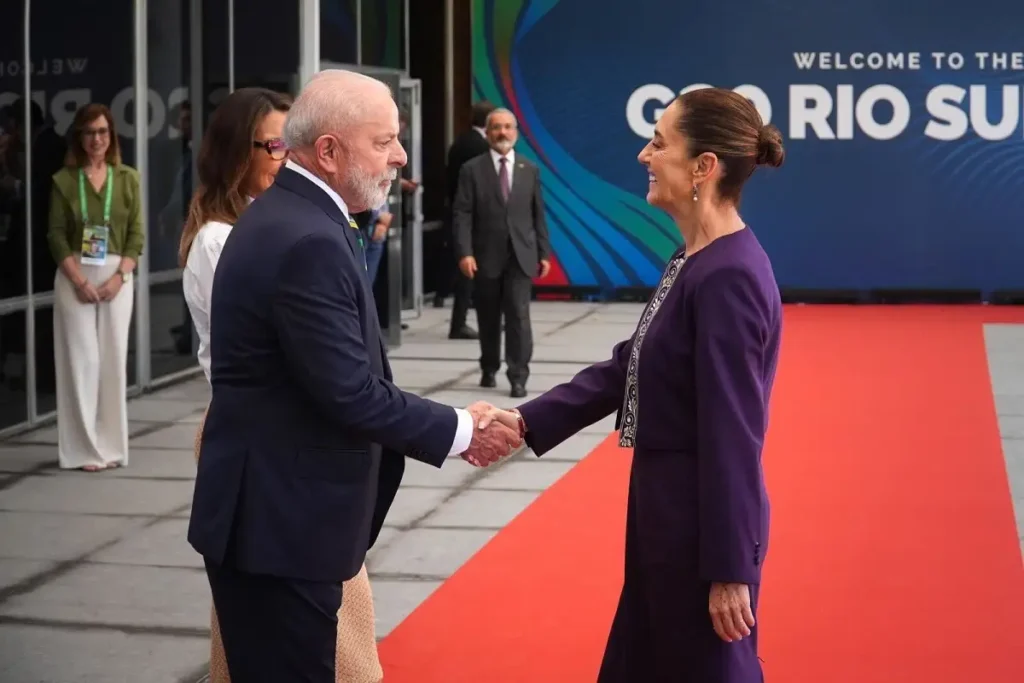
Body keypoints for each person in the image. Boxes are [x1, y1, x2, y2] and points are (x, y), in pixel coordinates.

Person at [187, 69, 520, 683]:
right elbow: (348, 390)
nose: (398, 156)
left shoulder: (297, 217)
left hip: (277, 522)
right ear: (330, 151)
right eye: (384, 140)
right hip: (280, 529)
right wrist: (461, 430)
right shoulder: (304, 236)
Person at [486, 88, 785, 681]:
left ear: (704, 167)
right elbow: (632, 364)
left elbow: (734, 437)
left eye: (659, 143)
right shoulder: (696, 258)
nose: (645, 156)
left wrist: (730, 569)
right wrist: (526, 421)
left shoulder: (728, 277)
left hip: (695, 534)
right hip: (663, 517)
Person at [48, 103, 144, 471]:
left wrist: (120, 276)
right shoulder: (64, 180)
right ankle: (83, 449)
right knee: (81, 362)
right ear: (79, 137)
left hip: (117, 274)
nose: (97, 140)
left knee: (113, 363)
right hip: (76, 274)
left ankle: (111, 447)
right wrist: (79, 280)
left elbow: (137, 234)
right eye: (89, 132)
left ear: (112, 136)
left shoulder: (127, 178)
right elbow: (55, 235)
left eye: (103, 132)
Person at [452, 107, 550, 398]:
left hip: (521, 256)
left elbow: (538, 215)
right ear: (488, 132)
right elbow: (462, 214)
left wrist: (543, 252)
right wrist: (464, 252)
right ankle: (489, 366)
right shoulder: (472, 169)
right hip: (485, 256)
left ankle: (518, 375)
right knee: (488, 315)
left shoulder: (528, 169)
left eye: (508, 127)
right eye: (496, 127)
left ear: (516, 133)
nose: (502, 133)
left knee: (519, 316)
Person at [436, 100, 495, 339]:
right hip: (472, 218)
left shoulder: (462, 140)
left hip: (460, 213)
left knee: (465, 270)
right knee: (469, 273)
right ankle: (459, 323)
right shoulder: (478, 146)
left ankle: (470, 318)